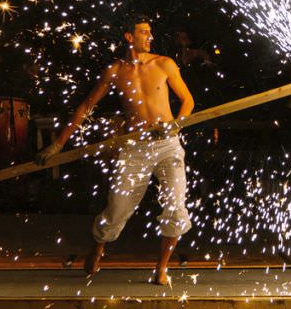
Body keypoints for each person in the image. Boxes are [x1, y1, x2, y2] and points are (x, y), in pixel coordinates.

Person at [36, 14, 195, 285]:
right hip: (134, 147)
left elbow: (188, 100)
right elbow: (86, 106)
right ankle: (98, 246)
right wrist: (58, 144)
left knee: (175, 206)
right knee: (117, 208)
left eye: (151, 32)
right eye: (144, 32)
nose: (151, 36)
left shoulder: (164, 64)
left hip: (167, 144)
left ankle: (161, 268)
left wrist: (176, 126)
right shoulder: (115, 72)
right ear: (129, 37)